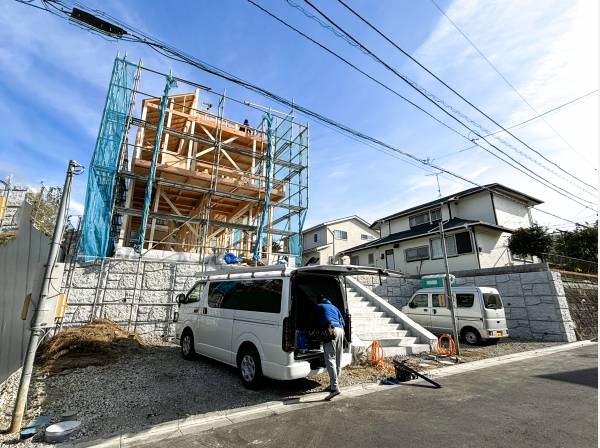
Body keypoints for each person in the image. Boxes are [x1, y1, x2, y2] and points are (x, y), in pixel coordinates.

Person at [316, 295, 345, 400]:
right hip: (341, 330)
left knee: (330, 359)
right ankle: (335, 384)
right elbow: (343, 321)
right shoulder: (334, 307)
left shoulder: (319, 306)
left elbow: (313, 320)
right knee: (338, 358)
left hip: (330, 330)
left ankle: (334, 388)